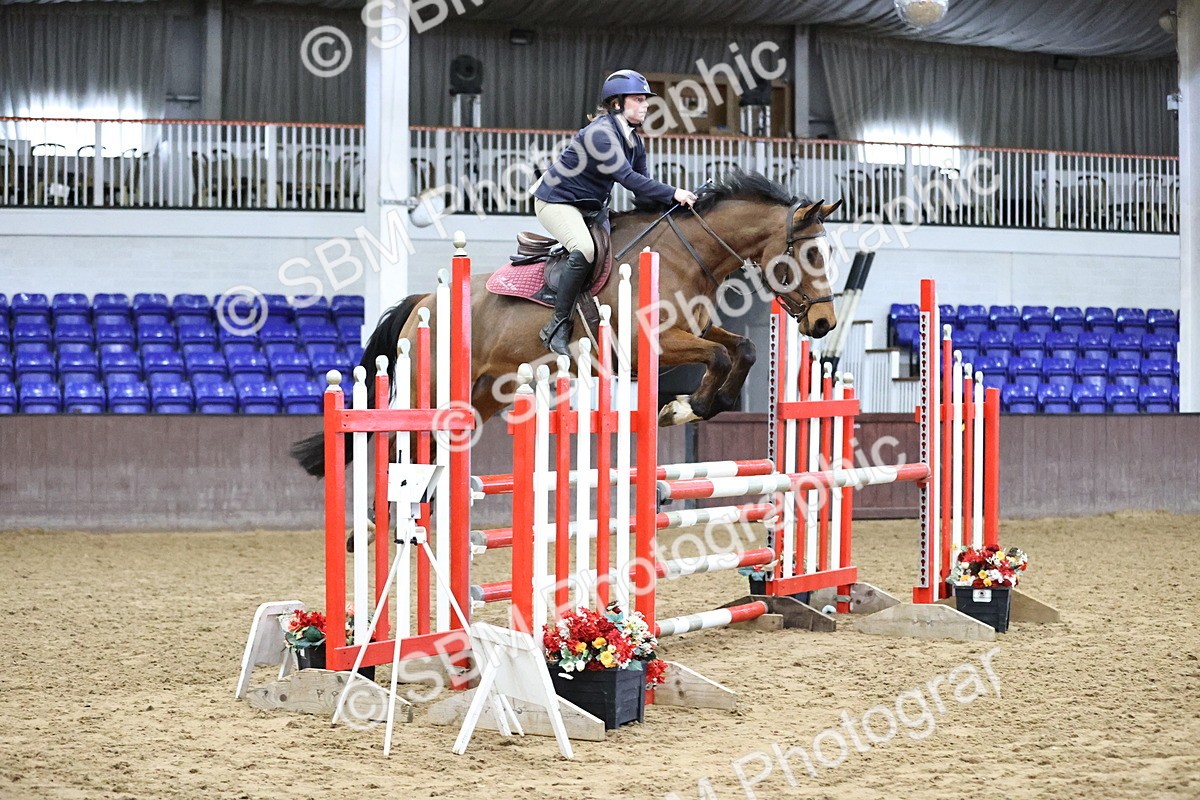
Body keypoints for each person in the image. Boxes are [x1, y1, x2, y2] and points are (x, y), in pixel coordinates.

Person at [531, 69, 698, 355]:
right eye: (638, 99)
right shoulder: (601, 134)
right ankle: (557, 326)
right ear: (617, 103)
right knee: (584, 249)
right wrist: (674, 192)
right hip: (557, 202)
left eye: (646, 99)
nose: (645, 105)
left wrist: (677, 209)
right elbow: (628, 179)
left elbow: (642, 192)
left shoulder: (634, 141)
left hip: (590, 208)